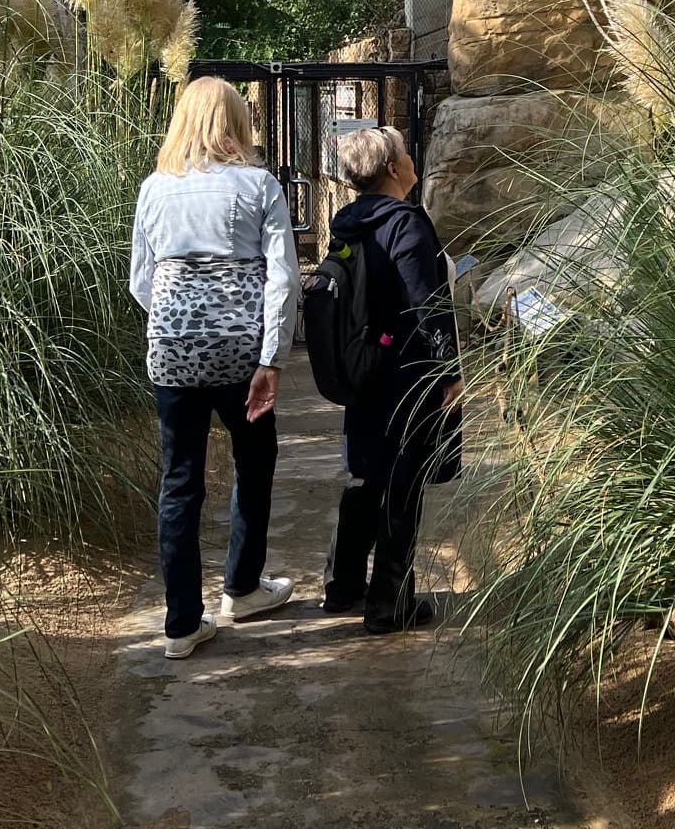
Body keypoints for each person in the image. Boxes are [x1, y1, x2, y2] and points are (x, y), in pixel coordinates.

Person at [129, 77, 299, 659]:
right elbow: (283, 278)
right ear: (237, 121)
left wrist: (181, 324)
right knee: (255, 461)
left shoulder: (154, 189)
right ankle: (243, 588)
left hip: (173, 349)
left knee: (180, 480)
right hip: (240, 350)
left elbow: (141, 280)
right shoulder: (259, 185)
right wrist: (270, 356)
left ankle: (181, 625)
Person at [321, 126, 463, 634]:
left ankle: (343, 586)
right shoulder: (405, 224)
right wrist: (449, 372)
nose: (410, 157)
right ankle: (388, 602)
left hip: (365, 368)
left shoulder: (350, 223)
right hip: (405, 373)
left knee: (371, 475)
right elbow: (427, 304)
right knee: (404, 482)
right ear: (391, 169)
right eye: (403, 152)